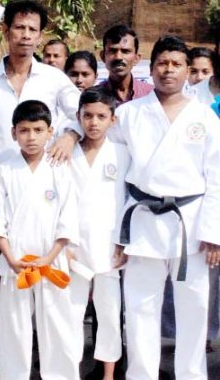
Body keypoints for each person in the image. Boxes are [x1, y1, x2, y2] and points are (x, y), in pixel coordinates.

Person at [110, 35, 220, 379]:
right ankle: (141, 375)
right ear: (151, 68)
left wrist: (213, 234)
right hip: (142, 220)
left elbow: (218, 179)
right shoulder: (128, 114)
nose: (168, 70)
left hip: (189, 225)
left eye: (177, 64)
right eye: (162, 63)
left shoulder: (205, 118)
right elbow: (111, 166)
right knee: (139, 308)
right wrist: (118, 231)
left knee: (193, 308)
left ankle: (191, 375)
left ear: (188, 71)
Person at [0, 100, 80, 379]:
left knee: (58, 327)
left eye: (38, 130)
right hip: (16, 263)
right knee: (14, 329)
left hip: (52, 260)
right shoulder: (4, 171)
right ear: (13, 133)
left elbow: (68, 218)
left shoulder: (60, 169)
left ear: (50, 131)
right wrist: (10, 258)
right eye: (24, 130)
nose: (31, 137)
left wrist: (50, 257)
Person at [0, 0, 82, 173]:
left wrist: (71, 136)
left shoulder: (54, 77)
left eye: (32, 29)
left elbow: (83, 114)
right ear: (6, 31)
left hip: (43, 176)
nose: (26, 35)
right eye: (19, 27)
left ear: (40, 37)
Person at [68, 87, 129, 380]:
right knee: (70, 314)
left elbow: (129, 200)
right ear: (78, 117)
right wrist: (62, 243)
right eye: (87, 116)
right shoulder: (64, 153)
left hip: (109, 245)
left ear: (112, 120)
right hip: (72, 246)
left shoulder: (121, 153)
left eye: (101, 116)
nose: (93, 122)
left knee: (109, 313)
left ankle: (108, 373)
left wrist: (124, 241)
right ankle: (69, 371)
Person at [97, 24, 153, 106]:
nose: (118, 57)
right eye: (112, 51)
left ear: (136, 59)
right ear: (103, 56)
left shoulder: (151, 95)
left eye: (125, 51)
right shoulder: (93, 97)